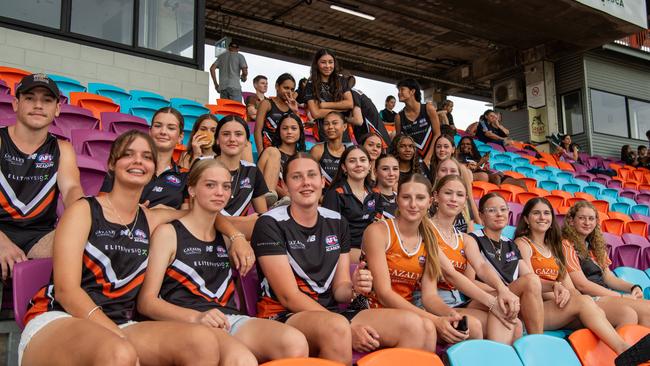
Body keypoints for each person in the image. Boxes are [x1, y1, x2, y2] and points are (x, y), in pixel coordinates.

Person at [19, 131, 245, 366]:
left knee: (202, 341)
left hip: (121, 324)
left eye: (147, 156)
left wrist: (235, 236)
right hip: (61, 317)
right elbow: (67, 292)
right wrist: (117, 336)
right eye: (128, 154)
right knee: (119, 353)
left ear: (153, 169)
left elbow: (204, 213)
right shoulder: (83, 210)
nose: (138, 161)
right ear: (112, 164)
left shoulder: (151, 219)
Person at [252, 153, 434, 365]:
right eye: (296, 177)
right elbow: (288, 296)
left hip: (333, 312)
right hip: (285, 314)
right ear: (284, 183)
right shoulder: (270, 223)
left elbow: (340, 290)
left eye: (312, 175)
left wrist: (354, 287)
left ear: (322, 181)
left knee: (415, 325)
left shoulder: (337, 222)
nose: (306, 183)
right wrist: (347, 327)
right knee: (337, 329)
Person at [137, 159, 309, 365]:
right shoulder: (168, 233)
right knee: (242, 360)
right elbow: (146, 302)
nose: (220, 192)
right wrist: (196, 318)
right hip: (187, 323)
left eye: (226, 186)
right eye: (210, 185)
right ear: (191, 189)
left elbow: (262, 225)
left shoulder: (228, 237)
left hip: (228, 319)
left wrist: (238, 238)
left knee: (295, 343)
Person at [363, 174, 520, 345]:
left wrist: (450, 314)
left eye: (420, 198)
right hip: (374, 308)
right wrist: (436, 319)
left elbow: (431, 295)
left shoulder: (428, 237)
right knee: (428, 328)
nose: (413, 204)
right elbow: (384, 293)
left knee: (477, 324)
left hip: (414, 309)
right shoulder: (379, 231)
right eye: (406, 197)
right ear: (397, 199)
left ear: (429, 201)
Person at [515, 198, 650, 365]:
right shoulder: (523, 244)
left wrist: (569, 296)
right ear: (526, 219)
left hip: (560, 306)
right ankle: (623, 350)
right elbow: (530, 284)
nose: (542, 217)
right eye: (536, 213)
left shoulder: (554, 248)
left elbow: (571, 288)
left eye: (546, 213)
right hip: (535, 308)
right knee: (588, 302)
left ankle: (624, 356)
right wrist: (560, 294)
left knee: (625, 313)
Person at [0, 73, 83, 280]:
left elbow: (72, 190)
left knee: (88, 241)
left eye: (47, 100)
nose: (38, 105)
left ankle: (55, 310)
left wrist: (85, 214)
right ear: (16, 103)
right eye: (30, 98)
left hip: (40, 236)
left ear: (57, 109)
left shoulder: (62, 149)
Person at [429, 175, 522, 344]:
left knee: (515, 324)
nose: (453, 199)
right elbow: (449, 274)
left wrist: (502, 290)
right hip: (430, 302)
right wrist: (492, 302)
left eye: (459, 195)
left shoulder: (464, 238)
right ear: (435, 196)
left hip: (456, 302)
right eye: (448, 193)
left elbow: (481, 266)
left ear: (465, 201)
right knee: (483, 323)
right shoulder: (426, 229)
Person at [466, 193, 545, 335]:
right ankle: (537, 339)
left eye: (503, 210)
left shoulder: (510, 244)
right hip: (482, 299)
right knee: (530, 282)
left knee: (532, 280)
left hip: (509, 298)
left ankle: (535, 339)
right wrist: (505, 290)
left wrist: (556, 286)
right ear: (481, 216)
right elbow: (469, 281)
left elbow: (530, 278)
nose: (499, 214)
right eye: (492, 210)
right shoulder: (473, 240)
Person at [562, 200, 650, 327]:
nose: (587, 223)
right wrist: (620, 296)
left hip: (605, 295)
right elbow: (582, 285)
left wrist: (633, 287)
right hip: (587, 300)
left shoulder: (595, 246)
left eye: (591, 219)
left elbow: (609, 278)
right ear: (571, 221)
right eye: (582, 218)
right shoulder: (566, 244)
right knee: (644, 312)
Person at [100, 107, 188, 209]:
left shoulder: (185, 176)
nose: (163, 132)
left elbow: (190, 216)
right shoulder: (126, 165)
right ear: (150, 131)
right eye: (158, 126)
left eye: (171, 128)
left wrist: (168, 213)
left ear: (180, 137)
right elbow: (101, 205)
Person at [323, 146, 381, 262]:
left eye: (363, 160)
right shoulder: (335, 194)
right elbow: (330, 236)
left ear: (370, 165)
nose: (358, 164)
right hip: (346, 251)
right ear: (344, 167)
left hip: (372, 247)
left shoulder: (375, 193)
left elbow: (379, 224)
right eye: (352, 161)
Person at [214, 116, 268, 218]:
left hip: (240, 231)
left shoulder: (252, 171)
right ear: (217, 139)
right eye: (226, 134)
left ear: (246, 142)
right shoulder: (203, 165)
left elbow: (263, 215)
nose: (232, 139)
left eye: (238, 134)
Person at [304, 49, 353, 142]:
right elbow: (316, 113)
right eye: (323, 62)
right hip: (324, 134)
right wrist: (341, 110)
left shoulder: (341, 80)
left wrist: (324, 105)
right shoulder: (311, 84)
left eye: (331, 62)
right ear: (317, 64)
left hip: (344, 135)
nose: (328, 66)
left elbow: (349, 103)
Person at [257, 112, 306, 202]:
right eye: (285, 128)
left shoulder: (304, 158)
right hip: (267, 203)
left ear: (300, 132)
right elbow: (258, 180)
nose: (289, 132)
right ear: (279, 131)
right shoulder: (270, 152)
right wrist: (285, 195)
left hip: (295, 204)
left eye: (294, 128)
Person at [394, 79, 440, 164]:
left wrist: (428, 158)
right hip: (413, 162)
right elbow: (399, 141)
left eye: (402, 89)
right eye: (398, 90)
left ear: (412, 91)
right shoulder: (398, 117)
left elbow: (437, 134)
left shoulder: (428, 108)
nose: (399, 93)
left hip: (432, 159)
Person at [254, 73, 299, 154]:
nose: (289, 92)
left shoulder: (292, 107)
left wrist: (295, 111)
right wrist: (261, 154)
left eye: (292, 89)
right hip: (269, 152)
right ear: (277, 86)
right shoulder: (266, 104)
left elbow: (299, 132)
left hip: (287, 153)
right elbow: (257, 130)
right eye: (286, 88)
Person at [431, 158, 478, 232]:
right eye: (443, 170)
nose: (448, 174)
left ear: (459, 175)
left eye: (453, 171)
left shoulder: (463, 199)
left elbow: (470, 231)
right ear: (437, 174)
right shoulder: (428, 201)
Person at [345, 76, 390, 147]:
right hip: (375, 138)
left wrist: (343, 118)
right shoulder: (357, 93)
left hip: (376, 140)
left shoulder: (352, 93)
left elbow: (358, 121)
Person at [310, 111, 349, 188]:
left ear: (344, 126)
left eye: (335, 123)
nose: (330, 127)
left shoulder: (350, 152)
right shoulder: (317, 150)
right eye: (326, 124)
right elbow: (310, 177)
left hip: (344, 197)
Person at [373, 154, 399, 219]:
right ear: (375, 172)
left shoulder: (402, 198)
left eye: (395, 169)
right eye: (385, 169)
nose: (391, 173)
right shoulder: (370, 198)